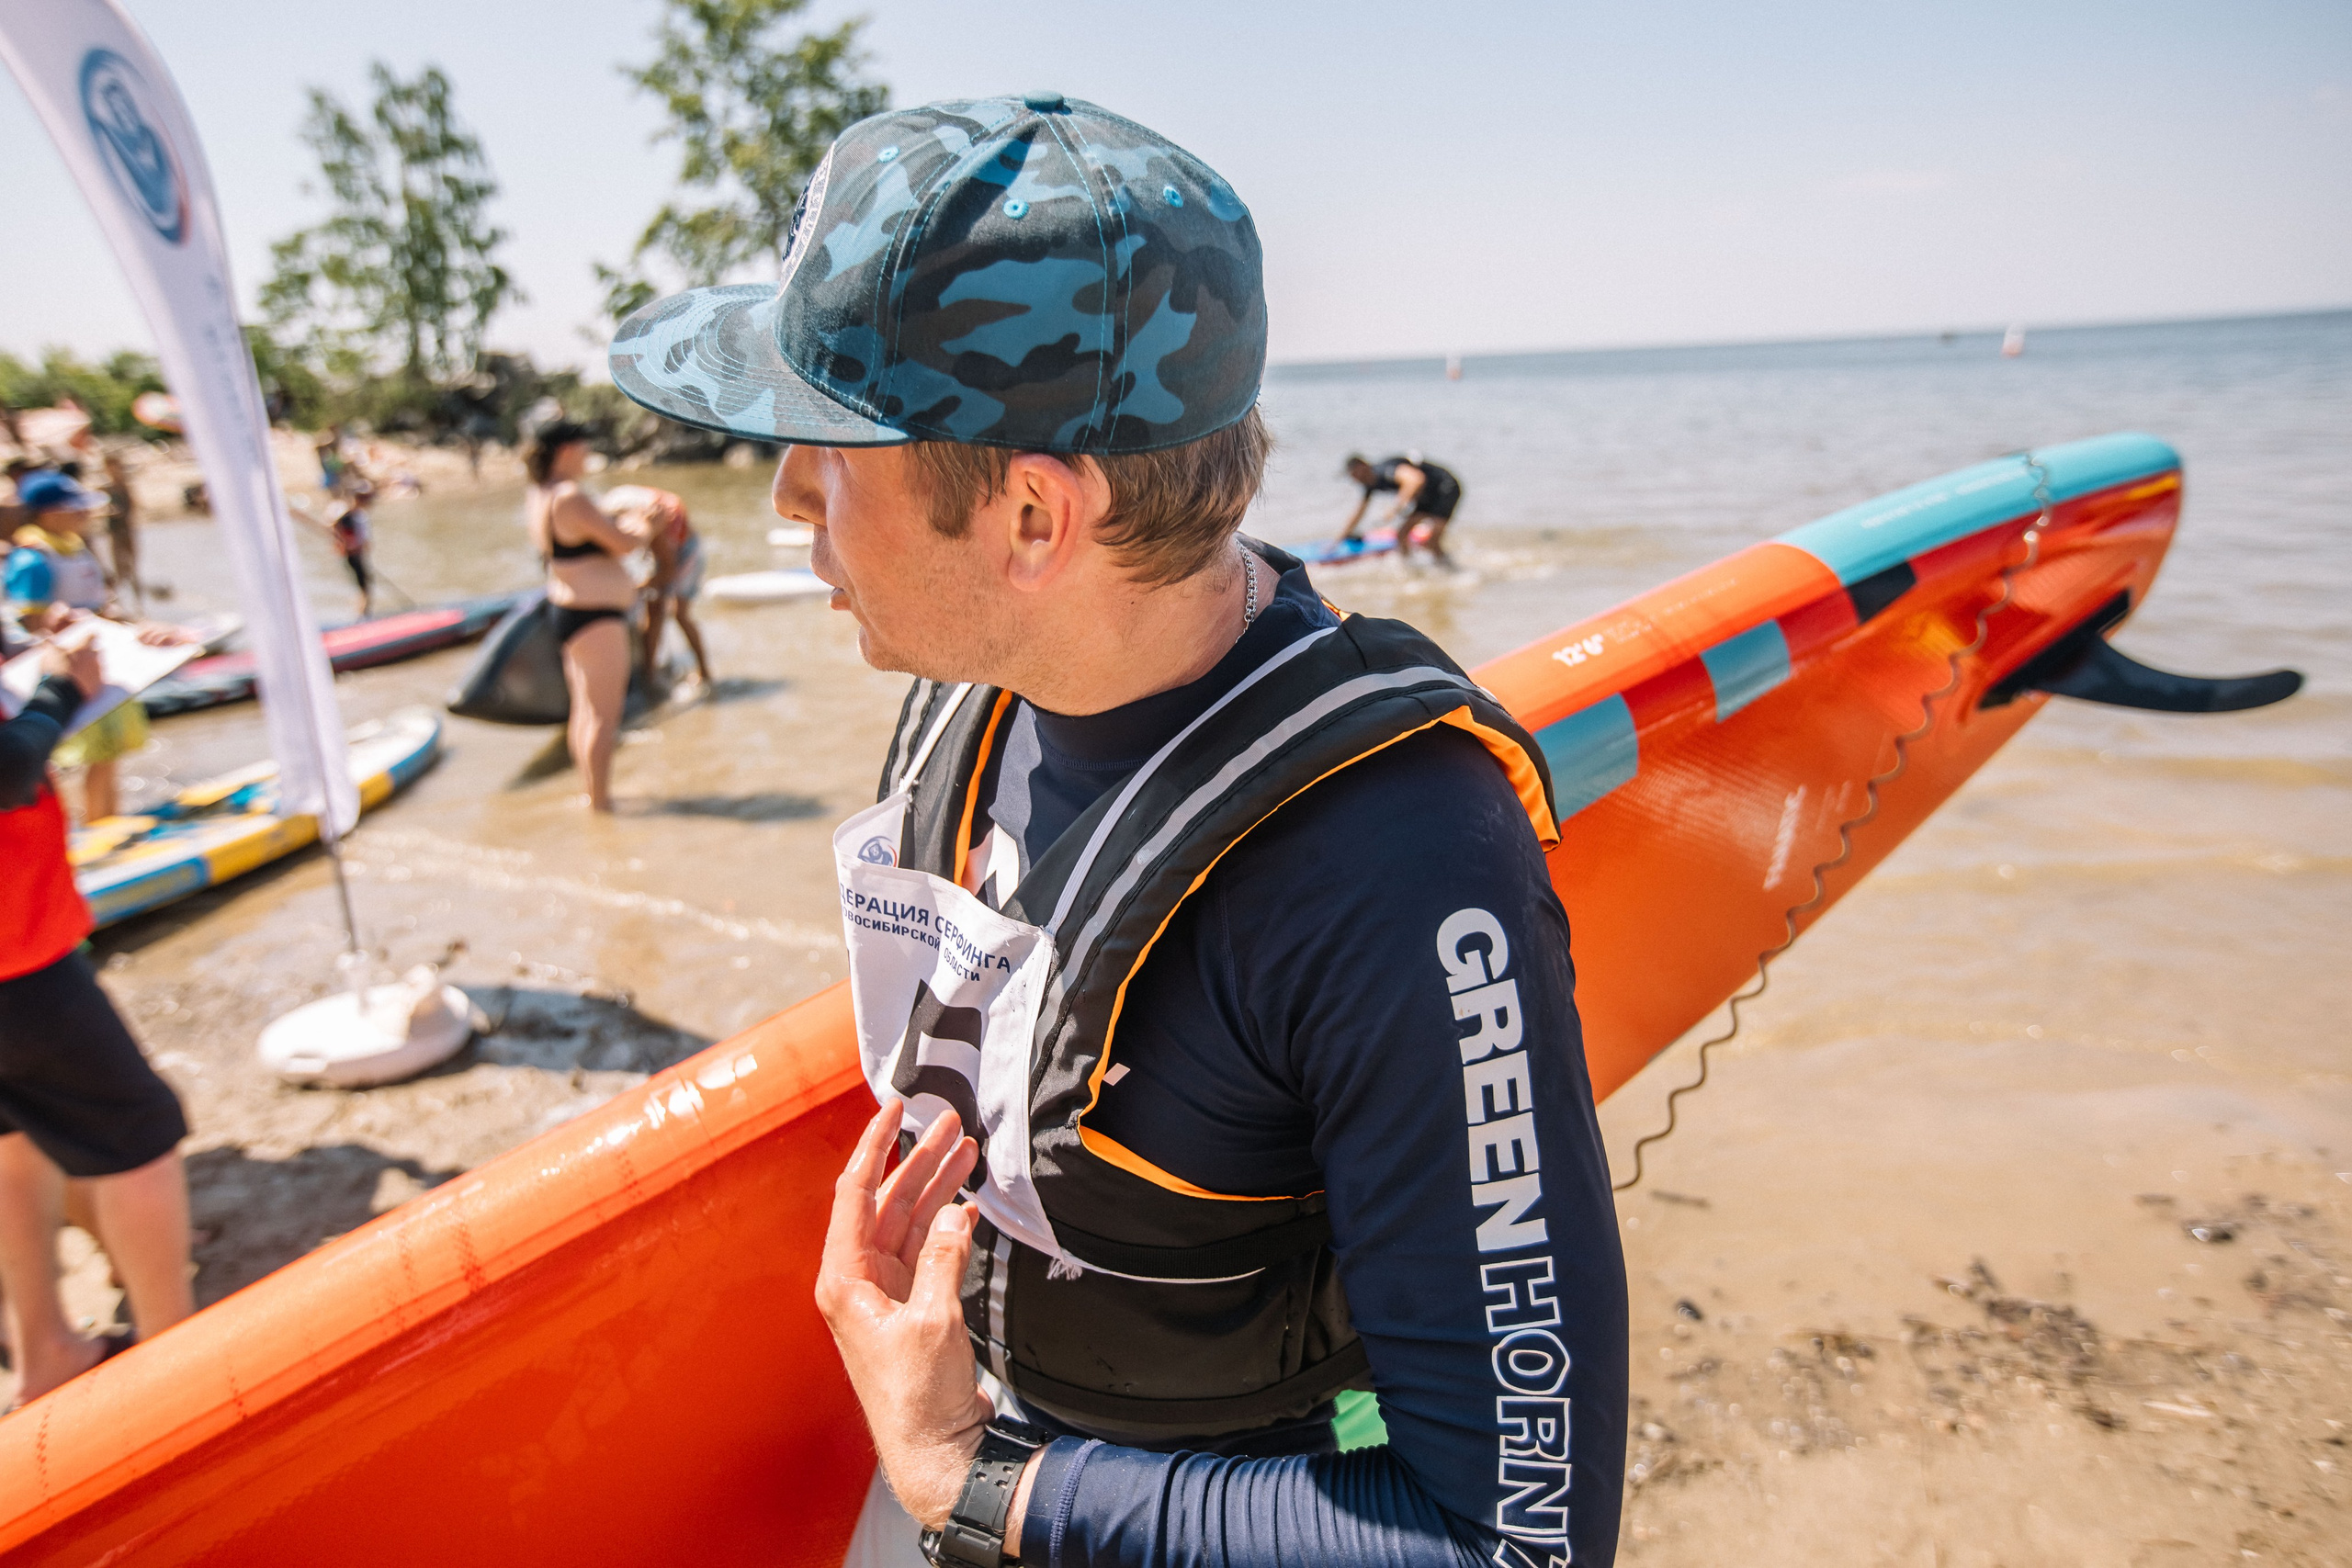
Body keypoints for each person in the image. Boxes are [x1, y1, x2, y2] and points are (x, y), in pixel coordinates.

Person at [612, 94, 1626, 1568]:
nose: (782, 501)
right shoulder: (978, 685)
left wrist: (973, 1478)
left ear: (1033, 517)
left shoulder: (1398, 874)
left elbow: (1516, 1541)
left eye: (829, 449)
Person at [0, 627, 194, 1409]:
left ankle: (45, 1349)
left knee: (15, 1146)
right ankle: (175, 1370)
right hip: (18, 960)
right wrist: (61, 692)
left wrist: (96, 643)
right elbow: (10, 767)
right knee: (140, 1135)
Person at [523, 422, 646, 814]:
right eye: (583, 446)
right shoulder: (569, 496)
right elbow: (624, 544)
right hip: (595, 616)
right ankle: (601, 806)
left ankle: (590, 794)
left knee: (584, 712)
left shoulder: (539, 495)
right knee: (603, 717)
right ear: (565, 451)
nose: (589, 452)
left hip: (569, 609)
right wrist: (647, 523)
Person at [6, 470, 143, 822]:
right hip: (61, 671)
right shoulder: (32, 558)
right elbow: (26, 625)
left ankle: (109, 821)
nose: (85, 515)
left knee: (111, 750)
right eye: (75, 508)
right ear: (50, 513)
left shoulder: (74, 546)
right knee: (90, 753)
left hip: (92, 659)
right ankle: (97, 825)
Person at [605, 484, 713, 690]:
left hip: (687, 555)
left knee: (679, 613)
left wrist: (634, 590)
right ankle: (649, 674)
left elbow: (667, 571)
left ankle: (704, 672)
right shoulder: (622, 506)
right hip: (666, 555)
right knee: (653, 611)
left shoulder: (655, 524)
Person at [1338, 452, 1466, 564]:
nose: (1354, 479)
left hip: (1445, 488)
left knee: (1431, 542)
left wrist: (1396, 508)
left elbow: (1415, 480)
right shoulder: (1369, 484)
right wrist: (1339, 539)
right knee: (1402, 535)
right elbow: (1358, 513)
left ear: (1363, 465)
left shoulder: (1384, 470)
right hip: (1429, 496)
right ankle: (1412, 569)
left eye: (1354, 474)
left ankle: (1450, 570)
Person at [99, 450, 141, 614]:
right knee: (119, 570)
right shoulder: (105, 487)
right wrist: (110, 512)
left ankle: (139, 607)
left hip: (128, 531)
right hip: (114, 532)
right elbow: (101, 509)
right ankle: (121, 605)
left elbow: (133, 507)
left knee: (134, 569)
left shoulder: (125, 485)